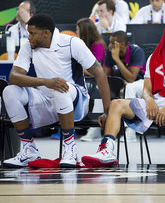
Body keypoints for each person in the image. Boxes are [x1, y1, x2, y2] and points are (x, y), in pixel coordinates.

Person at [81, 16, 165, 169]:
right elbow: (147, 88)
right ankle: (106, 151)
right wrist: (149, 100)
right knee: (116, 104)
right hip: (156, 100)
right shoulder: (155, 56)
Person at [2, 14, 111, 168]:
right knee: (9, 91)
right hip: (45, 96)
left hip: (76, 99)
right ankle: (29, 150)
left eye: (32, 33)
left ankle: (70, 148)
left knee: (61, 89)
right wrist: (46, 82)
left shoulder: (72, 43)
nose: (29, 37)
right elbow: (13, 77)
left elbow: (99, 72)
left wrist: (108, 111)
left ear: (46, 33)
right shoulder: (28, 45)